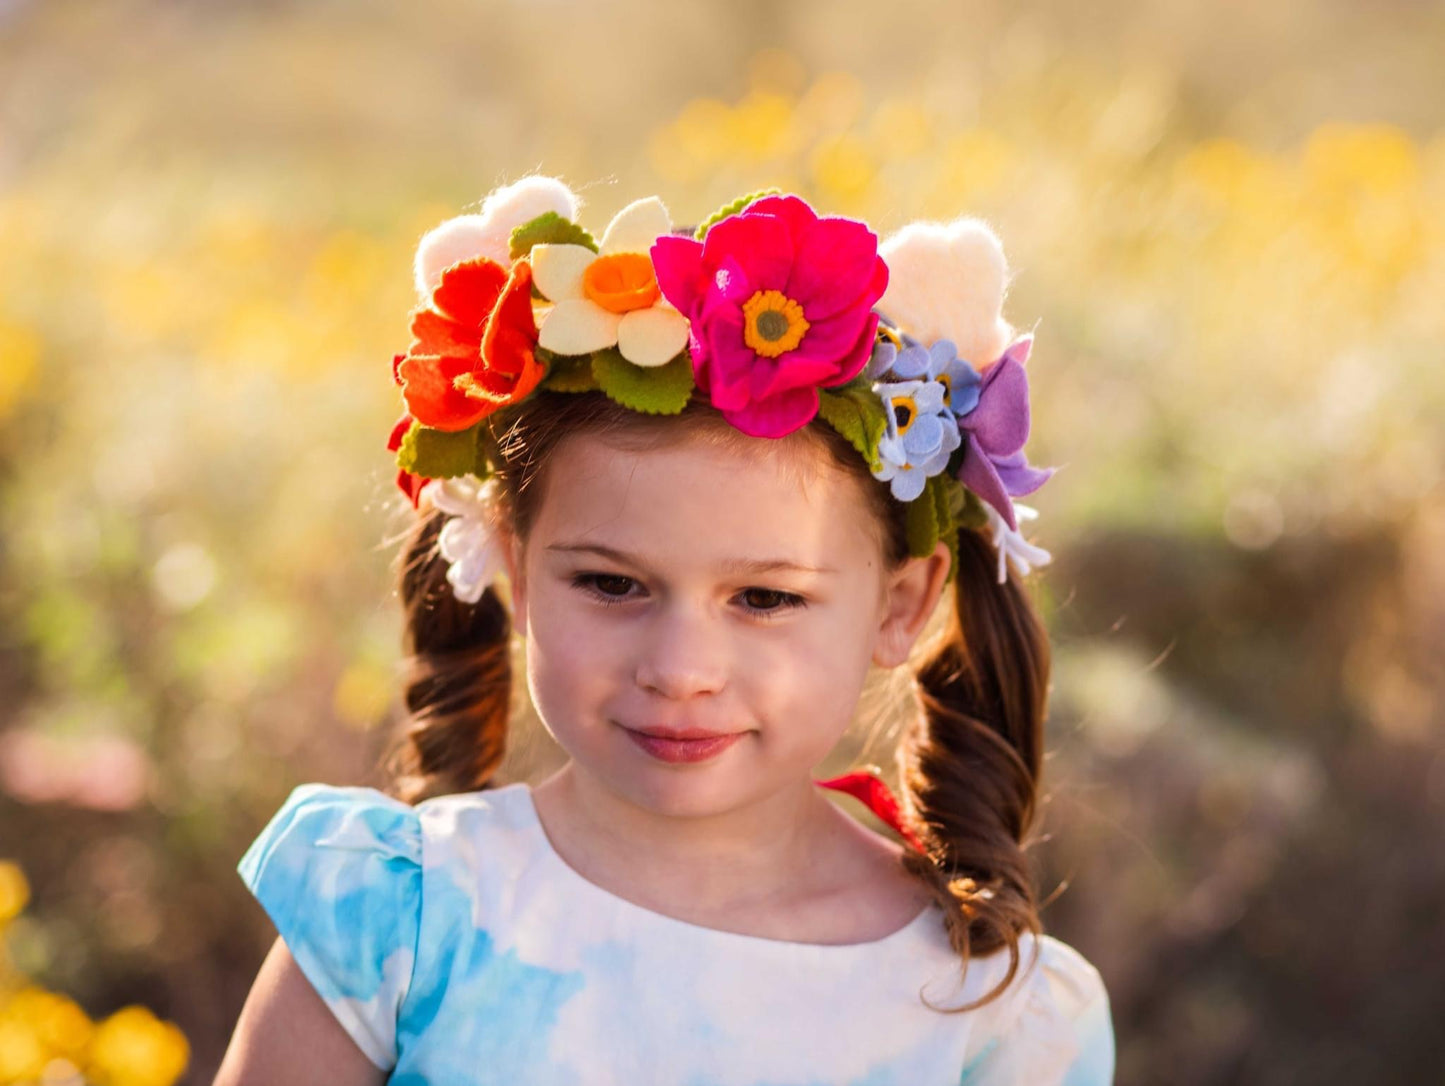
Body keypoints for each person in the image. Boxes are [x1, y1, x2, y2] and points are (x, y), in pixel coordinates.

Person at [214, 175, 1116, 1085]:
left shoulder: (992, 1013)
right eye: (612, 583)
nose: (681, 670)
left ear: (899, 606)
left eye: (764, 599)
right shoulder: (393, 924)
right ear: (517, 572)